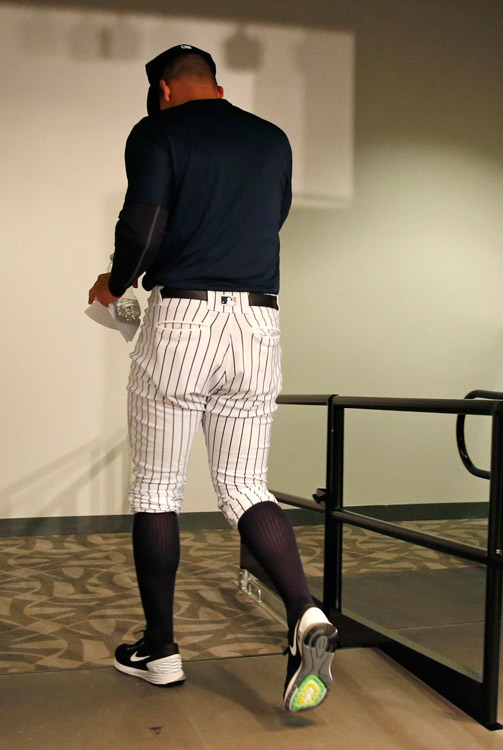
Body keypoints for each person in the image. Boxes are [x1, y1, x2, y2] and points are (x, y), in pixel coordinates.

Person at [87, 44, 337, 713]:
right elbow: (269, 217)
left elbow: (142, 227)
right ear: (214, 84)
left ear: (164, 89)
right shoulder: (272, 139)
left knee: (158, 485)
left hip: (185, 319)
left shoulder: (158, 131)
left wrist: (114, 285)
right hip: (259, 322)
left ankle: (161, 650)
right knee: (245, 485)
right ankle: (305, 611)